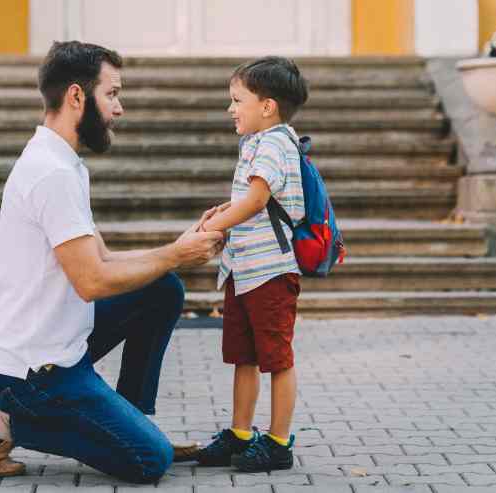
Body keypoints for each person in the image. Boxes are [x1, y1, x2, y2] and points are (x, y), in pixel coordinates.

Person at [0, 40, 225, 484]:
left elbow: (102, 258)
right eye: (112, 94)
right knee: (150, 461)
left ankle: (132, 417)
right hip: (33, 376)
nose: (119, 109)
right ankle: (2, 422)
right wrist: (176, 255)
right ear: (76, 97)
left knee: (162, 288)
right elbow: (92, 281)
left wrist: (177, 250)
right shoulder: (51, 173)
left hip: (59, 346)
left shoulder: (63, 164)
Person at [194, 56, 309, 472]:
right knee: (243, 355)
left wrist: (210, 231)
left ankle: (278, 444)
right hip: (243, 271)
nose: (231, 108)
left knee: (276, 358)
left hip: (270, 273)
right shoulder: (256, 143)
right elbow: (253, 198)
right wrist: (223, 210)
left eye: (236, 99)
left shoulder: (277, 141)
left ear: (268, 106)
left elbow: (258, 200)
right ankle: (241, 433)